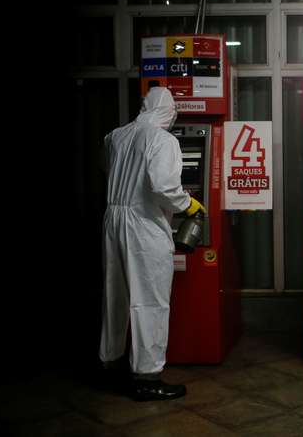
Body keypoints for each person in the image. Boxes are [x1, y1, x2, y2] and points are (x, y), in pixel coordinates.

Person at [99, 86, 205, 401]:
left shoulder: (115, 136)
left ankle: (110, 362)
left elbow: (110, 170)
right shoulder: (163, 140)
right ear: (170, 112)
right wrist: (188, 205)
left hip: (114, 218)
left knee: (114, 294)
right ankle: (147, 377)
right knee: (149, 300)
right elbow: (163, 187)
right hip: (143, 224)